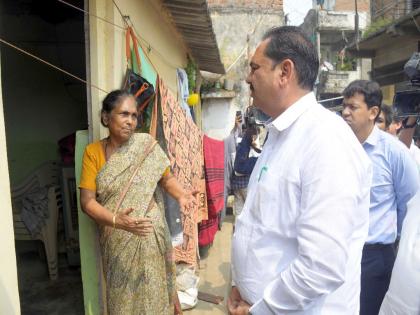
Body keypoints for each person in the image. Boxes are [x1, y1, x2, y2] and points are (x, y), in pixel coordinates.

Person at [228, 26, 372, 315]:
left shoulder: (326, 141)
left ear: (284, 72)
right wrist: (239, 283)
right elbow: (259, 223)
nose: (247, 77)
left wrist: (261, 309)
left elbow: (321, 266)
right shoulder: (281, 133)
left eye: (255, 68)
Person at [79, 90, 196, 315]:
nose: (130, 121)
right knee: (122, 299)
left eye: (134, 116)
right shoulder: (93, 153)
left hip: (150, 235)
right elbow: (87, 202)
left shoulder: (146, 146)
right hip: (116, 239)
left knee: (155, 293)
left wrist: (181, 195)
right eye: (124, 114)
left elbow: (166, 178)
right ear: (106, 117)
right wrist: (117, 221)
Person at [341, 80, 419, 315]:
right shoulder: (338, 147)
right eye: (343, 106)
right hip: (341, 252)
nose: (345, 112)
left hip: (374, 258)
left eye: (353, 107)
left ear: (373, 112)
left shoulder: (394, 152)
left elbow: (410, 206)